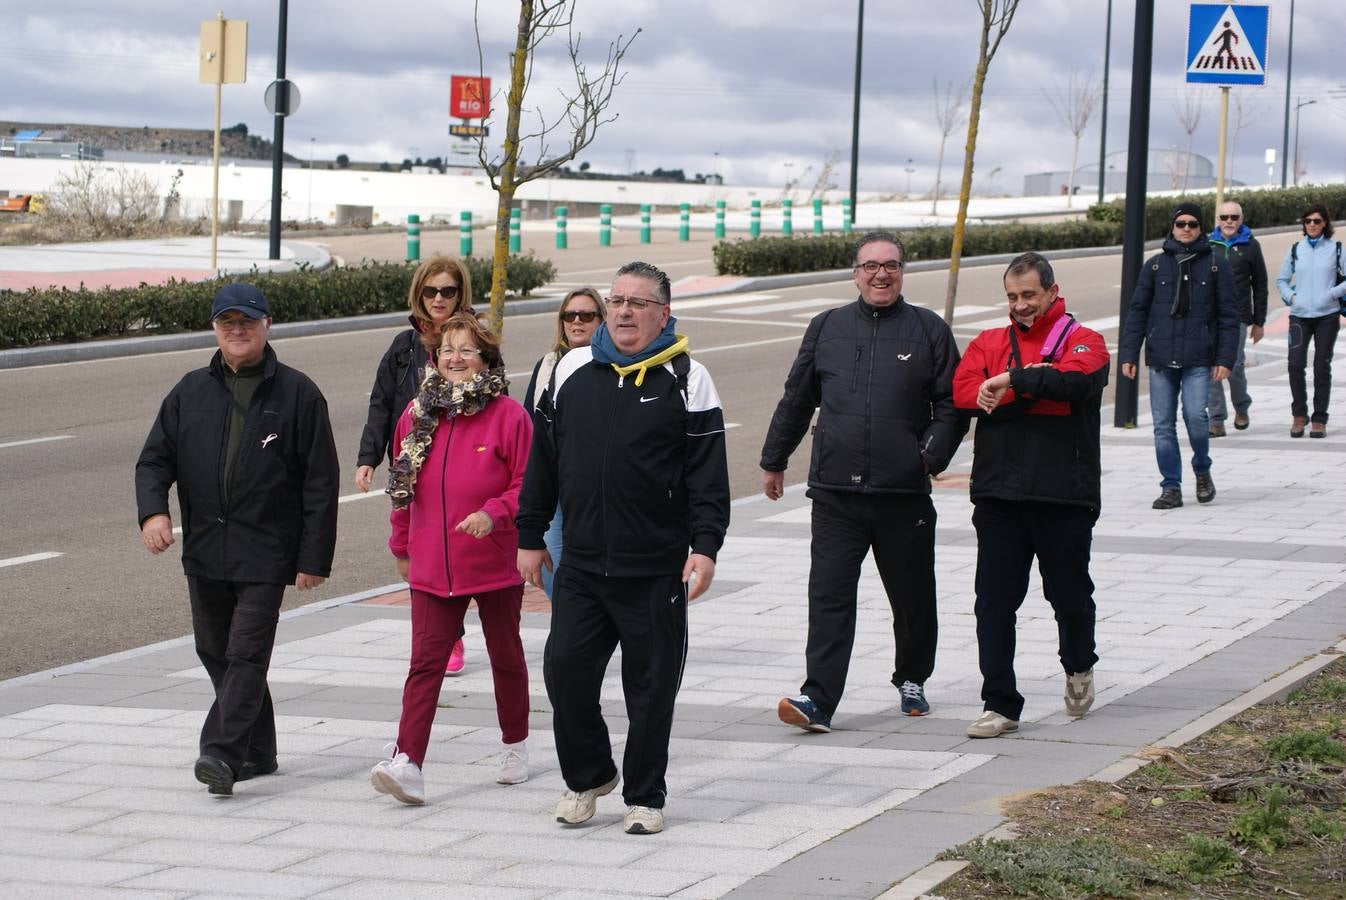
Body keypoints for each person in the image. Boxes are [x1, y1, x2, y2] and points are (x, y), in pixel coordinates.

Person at [516, 261, 730, 836]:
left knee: (652, 687)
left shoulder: (688, 377)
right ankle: (588, 777)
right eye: (617, 301)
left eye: (639, 302)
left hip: (655, 567)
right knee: (565, 674)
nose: (625, 312)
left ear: (663, 313)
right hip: (582, 563)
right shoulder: (571, 369)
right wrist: (530, 536)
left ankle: (645, 794)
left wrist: (705, 548)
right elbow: (544, 461)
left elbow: (709, 479)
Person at [135, 283, 340, 796]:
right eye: (227, 322)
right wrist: (153, 513)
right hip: (205, 549)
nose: (237, 331)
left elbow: (320, 482)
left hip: (266, 551)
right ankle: (260, 749)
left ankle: (221, 754)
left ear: (267, 326)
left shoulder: (297, 393)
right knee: (216, 653)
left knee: (246, 654)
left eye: (247, 322)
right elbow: (154, 460)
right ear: (215, 329)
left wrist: (313, 558)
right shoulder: (189, 390)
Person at [760, 231, 964, 733]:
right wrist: (774, 458)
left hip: (903, 494)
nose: (880, 274)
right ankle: (818, 700)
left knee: (913, 595)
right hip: (835, 493)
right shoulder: (826, 327)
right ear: (855, 273)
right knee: (829, 597)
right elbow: (797, 398)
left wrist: (928, 458)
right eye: (870, 265)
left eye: (890, 265)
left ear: (902, 272)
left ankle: (912, 676)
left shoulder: (929, 330)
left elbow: (952, 404)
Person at [370, 312, 533, 805]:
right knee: (425, 664)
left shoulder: (509, 416)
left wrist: (495, 513)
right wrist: (401, 546)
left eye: (466, 350)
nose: (454, 359)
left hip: (494, 561)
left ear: (485, 360)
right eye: (446, 351)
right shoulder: (416, 415)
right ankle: (409, 762)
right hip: (432, 565)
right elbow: (403, 488)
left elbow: (529, 486)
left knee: (506, 656)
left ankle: (515, 745)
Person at [952, 252, 1109, 738]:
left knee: (1070, 596)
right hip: (1000, 495)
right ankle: (999, 703)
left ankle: (1079, 666)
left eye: (1029, 295)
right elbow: (962, 391)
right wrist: (1011, 386)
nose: (1020, 305)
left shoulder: (1085, 341)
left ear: (1052, 292)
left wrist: (1012, 381)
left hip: (1064, 495)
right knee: (993, 602)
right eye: (1012, 296)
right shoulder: (988, 341)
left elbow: (1074, 383)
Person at [355, 256, 474, 675]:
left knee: (453, 555)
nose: (439, 299)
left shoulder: (474, 340)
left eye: (448, 291)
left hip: (459, 466)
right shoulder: (403, 347)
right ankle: (436, 638)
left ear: (461, 294)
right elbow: (381, 403)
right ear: (419, 294)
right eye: (431, 291)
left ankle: (452, 635)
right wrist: (368, 458)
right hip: (411, 466)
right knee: (417, 554)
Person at [1119, 203, 1239, 510]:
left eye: (1193, 224)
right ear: (1173, 227)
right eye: (1181, 223)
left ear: (1201, 229)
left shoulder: (1216, 265)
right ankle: (1170, 486)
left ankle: (1202, 468)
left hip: (1199, 358)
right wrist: (1129, 353)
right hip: (1161, 358)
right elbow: (1137, 312)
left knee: (1197, 418)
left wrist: (1225, 360)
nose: (1186, 228)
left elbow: (1228, 316)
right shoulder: (1155, 265)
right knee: (1162, 425)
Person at [522, 287, 605, 598]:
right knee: (553, 569)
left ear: (601, 320)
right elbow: (530, 426)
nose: (577, 322)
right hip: (554, 486)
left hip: (595, 488)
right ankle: (567, 631)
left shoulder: (610, 366)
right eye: (569, 315)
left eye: (587, 315)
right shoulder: (546, 366)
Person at [1275, 203, 1346, 438]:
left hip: (1327, 316)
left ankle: (1319, 419)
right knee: (1295, 364)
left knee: (1320, 367)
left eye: (1317, 221)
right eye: (1308, 221)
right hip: (1299, 316)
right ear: (1304, 225)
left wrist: (1332, 294)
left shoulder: (1336, 248)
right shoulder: (1296, 249)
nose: (1312, 225)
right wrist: (1292, 297)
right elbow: (1282, 280)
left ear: (1325, 223)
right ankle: (1299, 414)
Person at [1206, 202, 1268, 436]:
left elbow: (1260, 285)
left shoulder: (1251, 246)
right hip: (1211, 317)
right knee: (1211, 365)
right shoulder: (1208, 245)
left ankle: (1241, 406)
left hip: (1239, 316)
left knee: (1235, 365)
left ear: (1241, 219)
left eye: (1234, 217)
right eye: (1224, 217)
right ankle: (1217, 419)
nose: (1229, 221)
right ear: (1218, 219)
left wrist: (1259, 322)